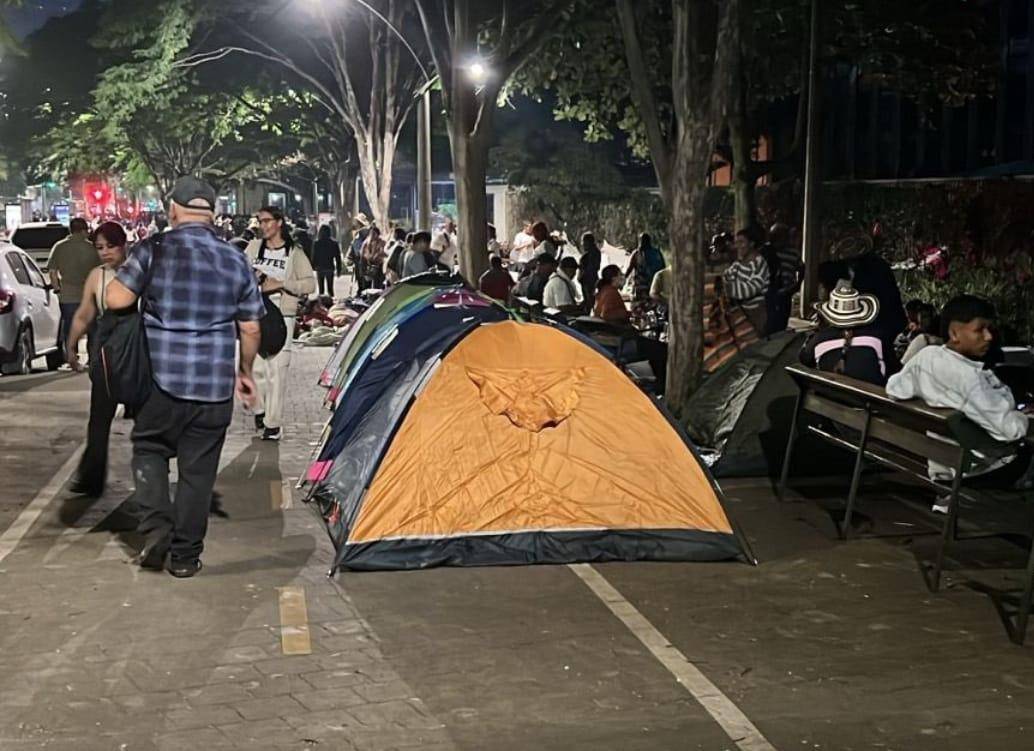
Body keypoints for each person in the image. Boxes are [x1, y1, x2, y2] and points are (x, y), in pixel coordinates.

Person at [105, 176, 264, 577]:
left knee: (149, 449)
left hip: (161, 381)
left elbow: (116, 299)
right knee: (198, 473)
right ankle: (186, 557)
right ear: (211, 214)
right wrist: (244, 372)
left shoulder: (153, 250)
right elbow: (251, 328)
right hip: (212, 389)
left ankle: (157, 526)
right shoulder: (236, 259)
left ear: (173, 210)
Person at [886, 295, 1033, 489]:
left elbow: (894, 388)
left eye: (989, 329)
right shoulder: (969, 379)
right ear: (954, 333)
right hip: (975, 467)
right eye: (980, 329)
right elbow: (1010, 431)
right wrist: (1025, 418)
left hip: (941, 463)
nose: (989, 336)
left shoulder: (926, 357)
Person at [64, 222, 129, 497]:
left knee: (150, 418)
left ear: (123, 244)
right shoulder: (97, 276)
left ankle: (155, 471)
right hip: (107, 353)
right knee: (99, 417)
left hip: (136, 352)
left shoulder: (138, 270)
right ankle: (92, 476)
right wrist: (71, 346)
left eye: (110, 246)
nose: (105, 253)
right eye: (100, 247)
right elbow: (84, 313)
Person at [246, 206, 316, 441]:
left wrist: (283, 284)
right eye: (260, 221)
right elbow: (239, 273)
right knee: (253, 368)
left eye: (266, 221)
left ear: (279, 223)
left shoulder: (294, 253)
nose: (262, 225)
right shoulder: (254, 248)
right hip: (255, 315)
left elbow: (309, 285)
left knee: (277, 372)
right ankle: (260, 410)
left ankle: (273, 425)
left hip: (282, 316)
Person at [800, 281, 888, 385]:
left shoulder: (819, 338)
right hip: (872, 398)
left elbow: (804, 359)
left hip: (828, 396)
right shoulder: (877, 336)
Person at [47, 217, 98, 365]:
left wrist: (57, 288)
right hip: (89, 295)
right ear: (83, 231)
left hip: (68, 296)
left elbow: (52, 271)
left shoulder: (59, 246)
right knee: (91, 328)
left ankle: (72, 356)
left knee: (70, 327)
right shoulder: (92, 248)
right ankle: (92, 357)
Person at [722, 228, 770, 335]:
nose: (737, 246)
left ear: (752, 243)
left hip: (755, 313)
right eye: (736, 242)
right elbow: (726, 276)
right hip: (740, 312)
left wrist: (727, 288)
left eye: (741, 242)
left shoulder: (759, 263)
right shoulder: (738, 263)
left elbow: (750, 289)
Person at [762, 223, 803, 335]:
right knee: (769, 322)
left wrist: (797, 285)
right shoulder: (766, 251)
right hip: (768, 292)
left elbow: (801, 269)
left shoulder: (793, 252)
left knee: (782, 321)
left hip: (786, 292)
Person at [311, 224, 343, 297]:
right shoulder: (334, 243)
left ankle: (321, 304)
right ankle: (331, 304)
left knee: (321, 290)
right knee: (330, 289)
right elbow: (338, 258)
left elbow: (314, 256)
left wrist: (313, 266)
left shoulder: (317, 243)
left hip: (320, 268)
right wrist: (339, 269)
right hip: (329, 267)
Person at [577, 232, 602, 313]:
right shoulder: (593, 253)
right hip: (588, 280)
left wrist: (582, 276)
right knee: (589, 301)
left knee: (589, 302)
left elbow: (591, 269)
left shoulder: (592, 254)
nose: (582, 244)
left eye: (584, 242)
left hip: (589, 281)